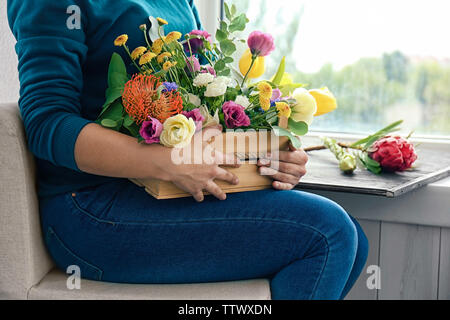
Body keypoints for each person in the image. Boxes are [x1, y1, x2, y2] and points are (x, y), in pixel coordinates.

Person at [7, 0, 368, 299]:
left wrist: (267, 154)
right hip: (91, 208)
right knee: (328, 232)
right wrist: (165, 163)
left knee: (354, 239)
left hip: (170, 191)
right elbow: (46, 123)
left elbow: (204, 109)